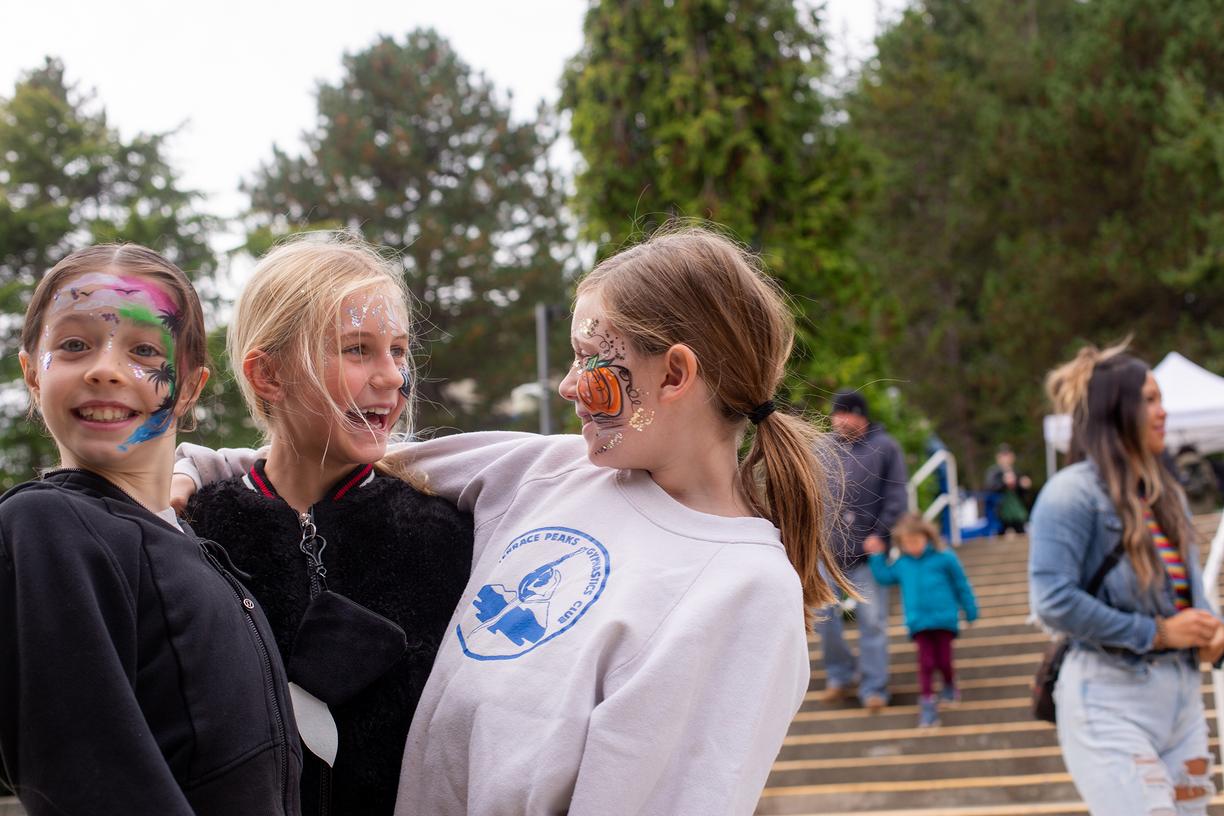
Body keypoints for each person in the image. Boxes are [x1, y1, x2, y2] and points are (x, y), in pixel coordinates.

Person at [173, 226, 853, 815]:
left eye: (591, 358)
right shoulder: (550, 471)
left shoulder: (745, 590)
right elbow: (311, 451)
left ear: (675, 375)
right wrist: (187, 472)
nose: (566, 384)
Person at [0, 245, 301, 815]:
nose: (105, 368)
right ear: (32, 375)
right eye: (73, 346)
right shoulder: (44, 526)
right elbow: (85, 774)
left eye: (144, 350)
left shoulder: (195, 544)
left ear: (189, 386)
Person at [181, 234, 473, 816]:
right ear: (268, 375)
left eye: (398, 350)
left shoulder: (447, 535)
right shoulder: (194, 532)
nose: (392, 377)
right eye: (358, 349)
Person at [1030, 342, 1224, 815]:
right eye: (1150, 399)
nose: (1163, 411)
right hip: (1108, 697)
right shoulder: (1070, 494)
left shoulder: (1167, 497)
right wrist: (1156, 632)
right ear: (1117, 410)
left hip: (1181, 701)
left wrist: (1211, 628)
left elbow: (1191, 592)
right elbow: (1052, 600)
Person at [814, 388, 908, 712]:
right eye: (835, 414)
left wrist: (881, 533)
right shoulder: (822, 449)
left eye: (843, 413)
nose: (837, 420)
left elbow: (897, 496)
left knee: (873, 621)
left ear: (859, 416)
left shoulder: (885, 448)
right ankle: (840, 676)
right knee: (822, 617)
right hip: (827, 553)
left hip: (869, 554)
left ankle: (874, 687)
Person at [865, 513, 977, 728]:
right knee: (925, 663)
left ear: (927, 537)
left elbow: (961, 584)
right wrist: (877, 556)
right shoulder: (902, 563)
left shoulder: (945, 557)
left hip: (944, 619)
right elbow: (884, 578)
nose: (912, 546)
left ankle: (949, 685)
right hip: (918, 621)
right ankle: (927, 704)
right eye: (907, 543)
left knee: (943, 660)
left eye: (916, 541)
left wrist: (970, 609)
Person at [984, 443, 1032, 536]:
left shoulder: (1016, 471)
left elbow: (1023, 492)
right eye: (1003, 455)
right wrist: (1004, 483)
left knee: (1021, 534)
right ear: (998, 457)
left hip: (1017, 512)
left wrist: (1023, 484)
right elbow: (990, 488)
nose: (1006, 458)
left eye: (1008, 455)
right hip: (1000, 512)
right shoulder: (994, 472)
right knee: (999, 535)